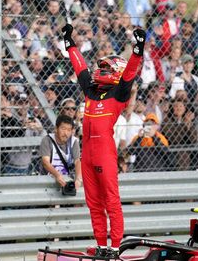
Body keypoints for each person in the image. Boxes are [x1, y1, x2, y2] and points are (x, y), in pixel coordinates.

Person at [61, 23, 146, 257]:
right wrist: (70, 44)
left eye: (104, 67)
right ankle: (101, 245)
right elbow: (79, 68)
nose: (99, 69)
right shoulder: (90, 90)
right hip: (86, 155)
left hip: (105, 154)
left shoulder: (118, 93)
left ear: (114, 71)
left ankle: (115, 247)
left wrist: (138, 50)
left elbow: (129, 74)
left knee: (111, 201)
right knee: (93, 203)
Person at [39, 114, 81, 189]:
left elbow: (77, 161)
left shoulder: (74, 141)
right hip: (48, 181)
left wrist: (78, 179)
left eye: (69, 130)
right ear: (56, 128)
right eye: (63, 129)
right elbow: (45, 162)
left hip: (67, 180)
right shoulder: (47, 140)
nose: (66, 133)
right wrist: (57, 175)